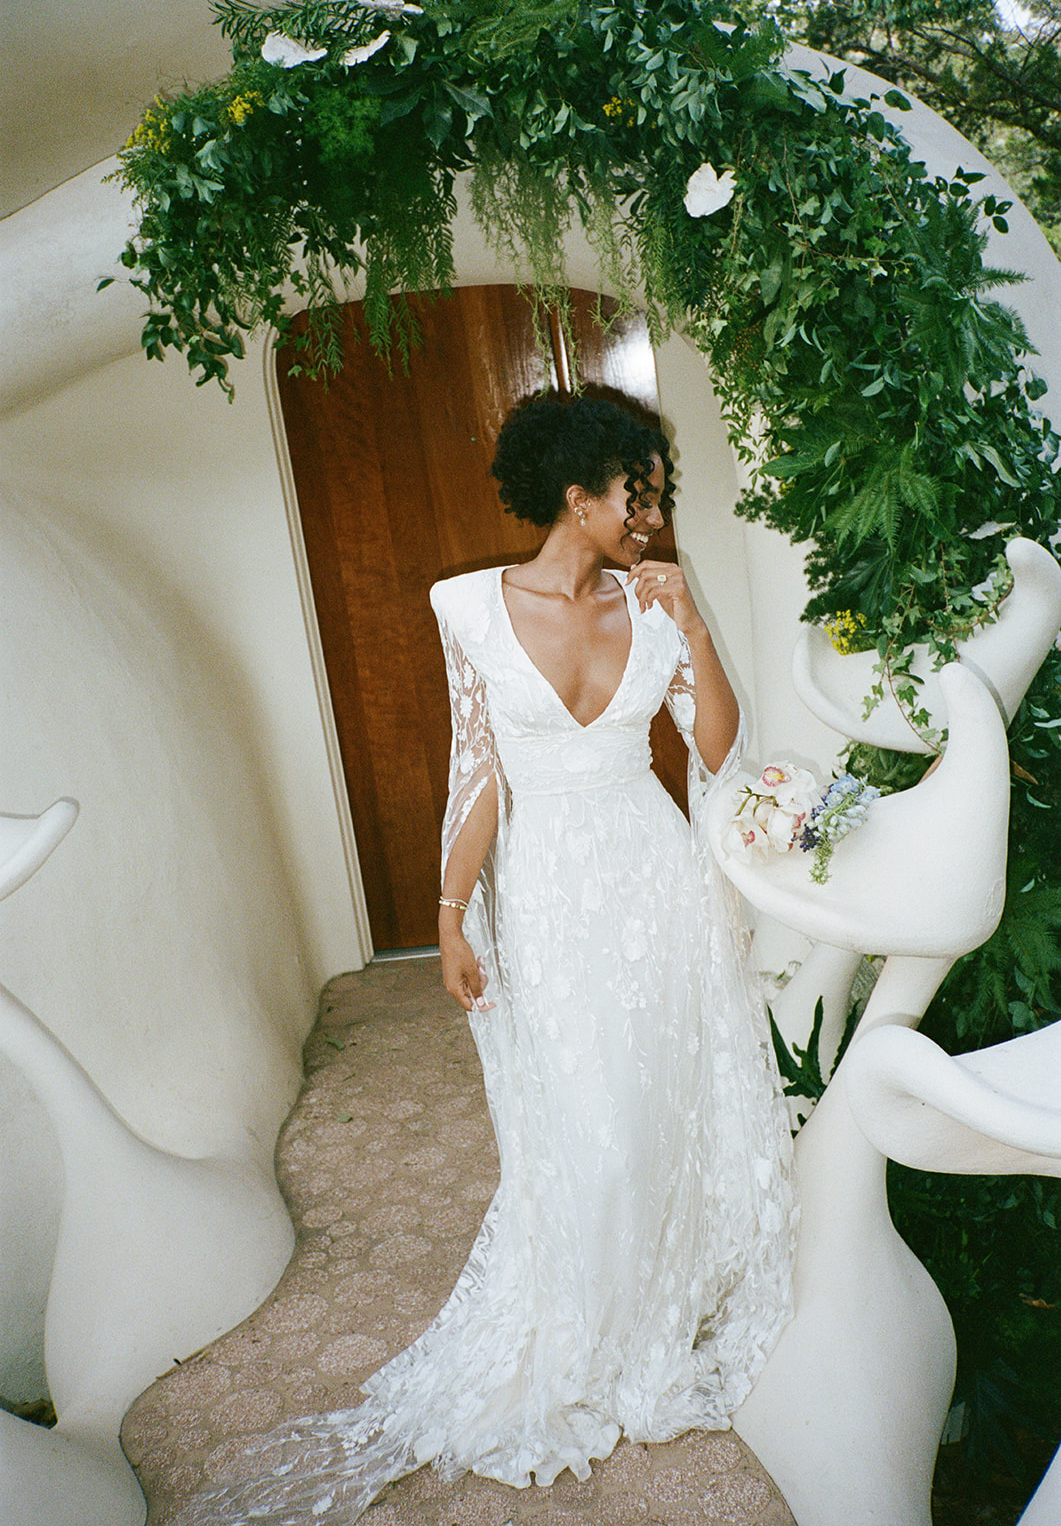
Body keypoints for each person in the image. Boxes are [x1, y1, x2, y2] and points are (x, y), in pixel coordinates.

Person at [178, 394, 796, 1525]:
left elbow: (715, 747)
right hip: (550, 899)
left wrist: (695, 628)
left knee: (653, 1105)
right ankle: (584, 1313)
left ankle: (648, 1303)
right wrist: (451, 910)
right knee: (585, 1123)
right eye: (637, 493)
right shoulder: (465, 606)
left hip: (653, 886)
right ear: (577, 493)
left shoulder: (658, 602)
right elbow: (479, 772)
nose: (650, 516)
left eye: (656, 496)